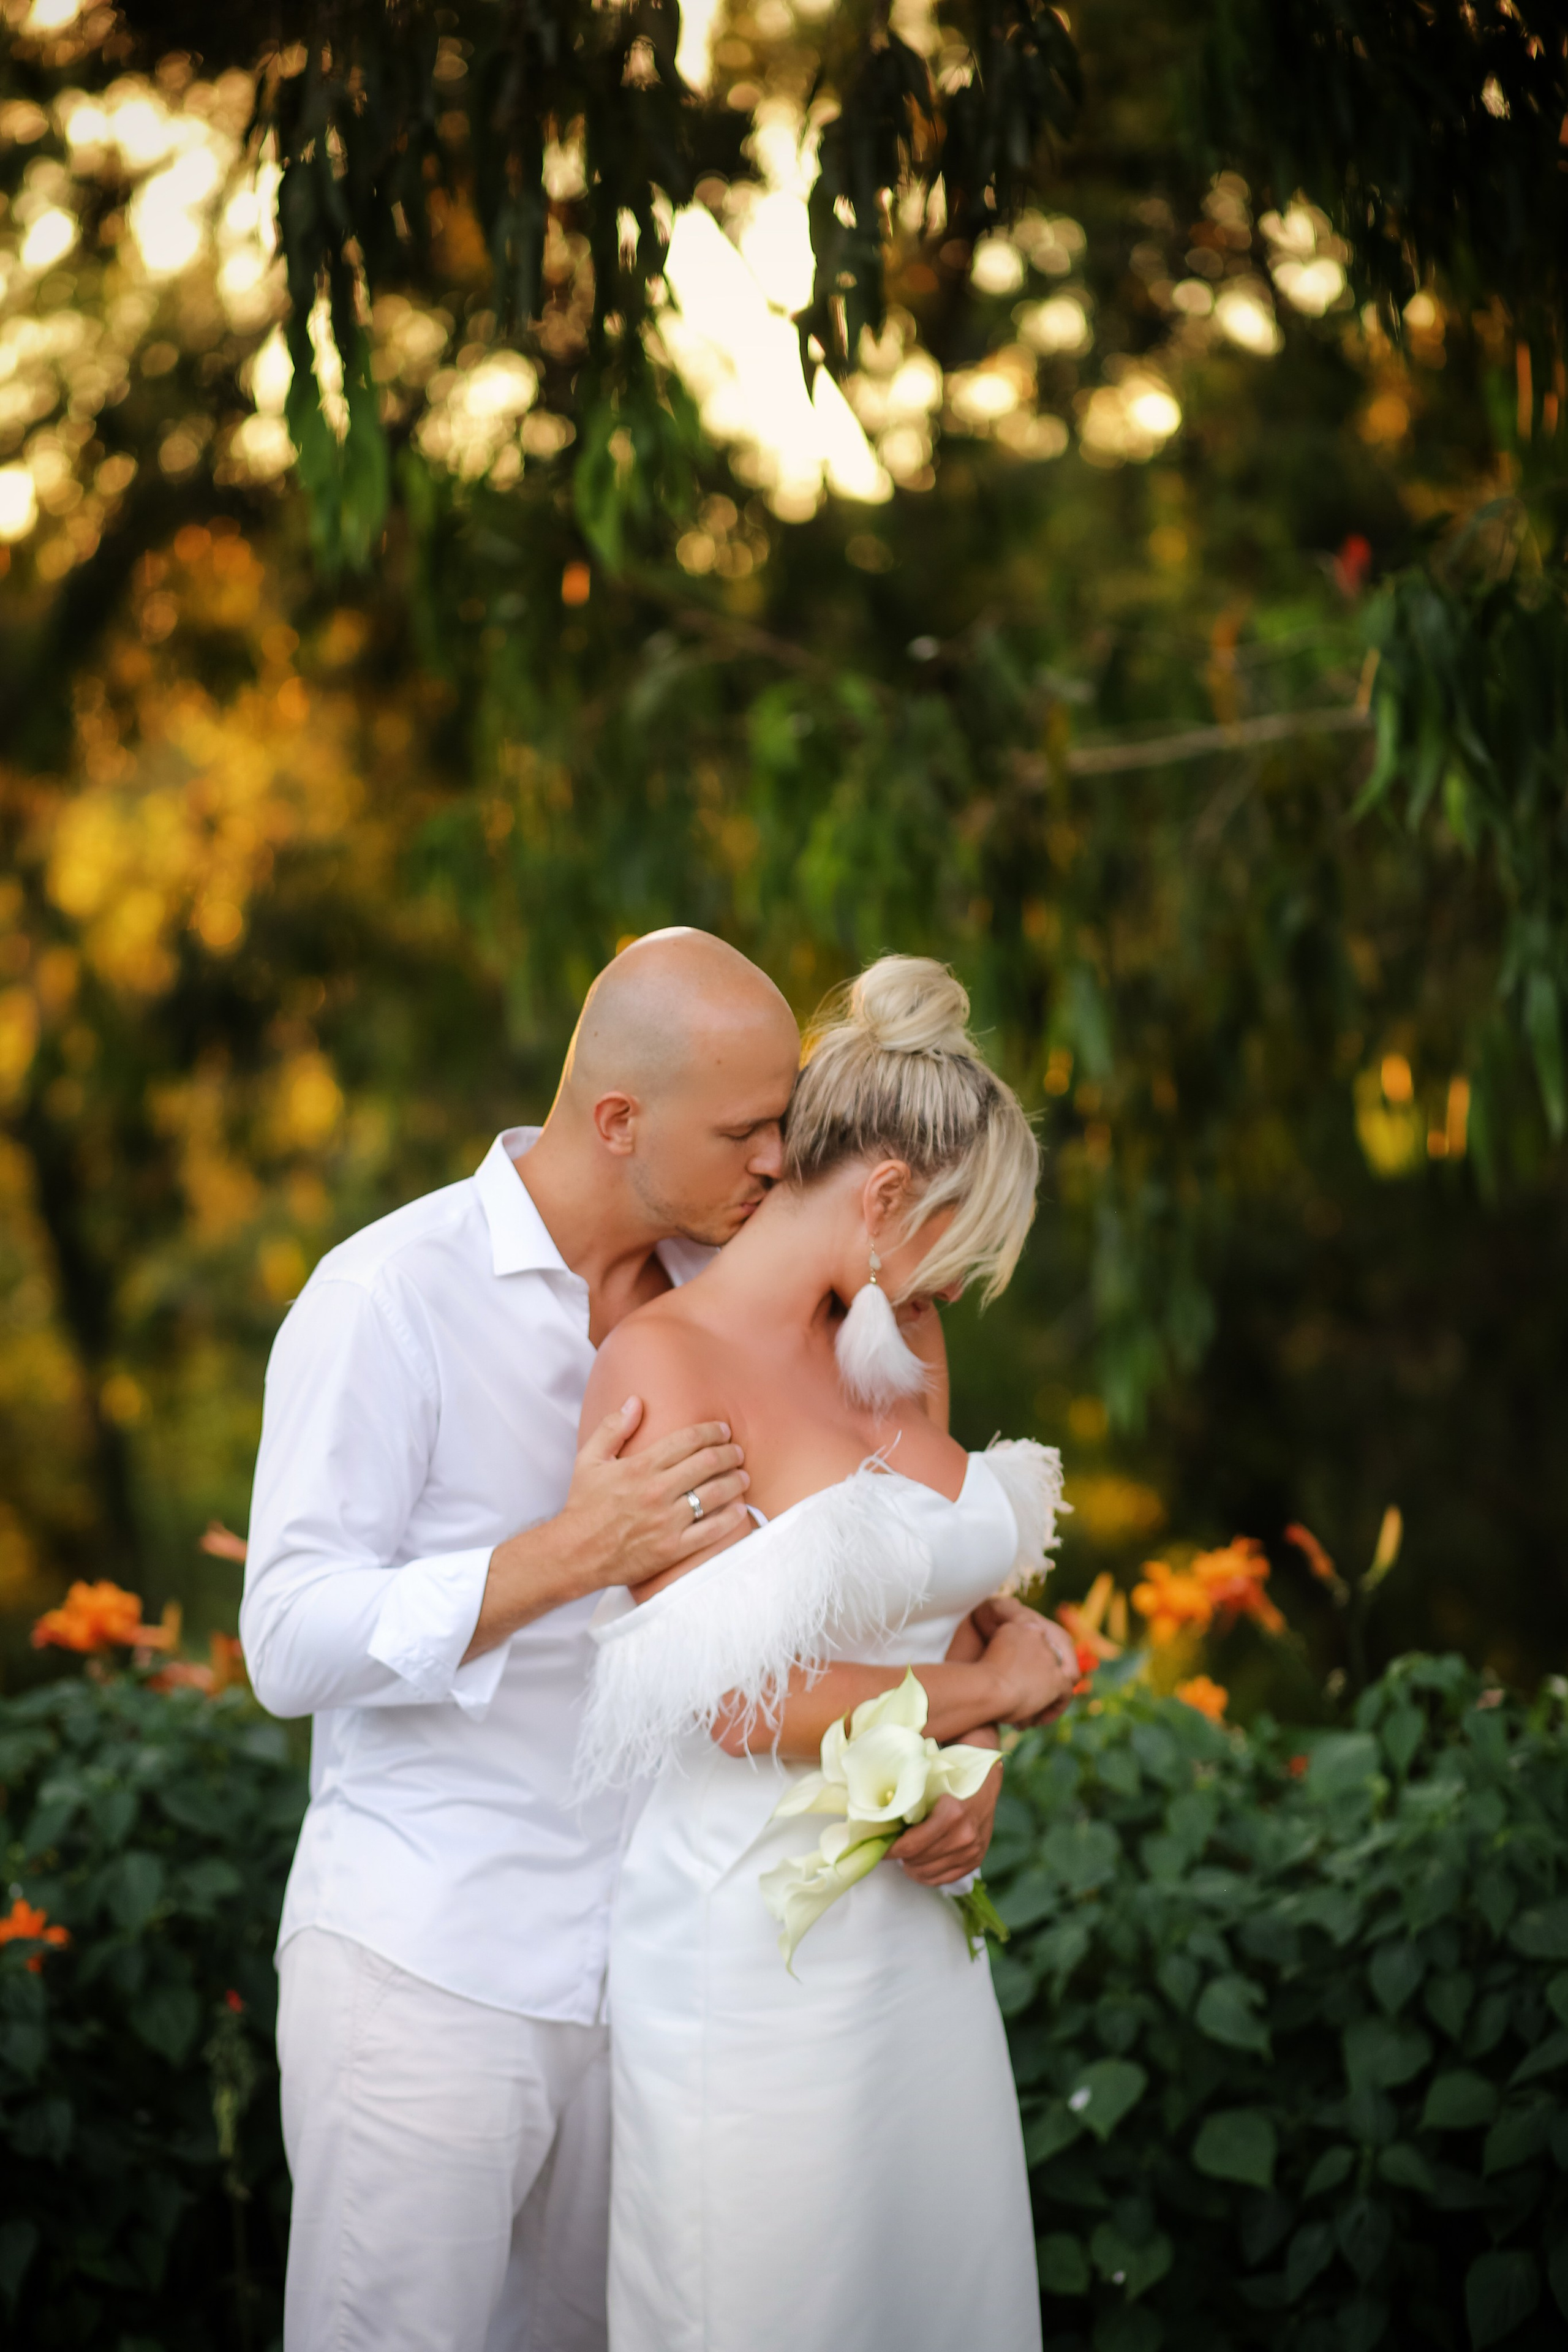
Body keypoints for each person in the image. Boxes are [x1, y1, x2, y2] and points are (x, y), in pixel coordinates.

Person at [239, 929, 1065, 2352]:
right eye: (748, 1130)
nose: (776, 1156)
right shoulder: (389, 1295)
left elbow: (891, 1578)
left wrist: (962, 1747)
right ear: (618, 1120)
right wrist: (572, 1553)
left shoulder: (769, 1300)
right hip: (435, 1958)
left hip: (653, 1963)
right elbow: (287, 1639)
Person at [577, 953, 1077, 2352]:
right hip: (753, 1950)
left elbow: (957, 1587)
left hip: (915, 1943)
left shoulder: (897, 1341)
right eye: (954, 1243)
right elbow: (732, 1697)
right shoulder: (660, 1364)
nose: (959, 1288)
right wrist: (990, 1697)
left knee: (936, 2292)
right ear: (877, 1201)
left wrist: (972, 1760)